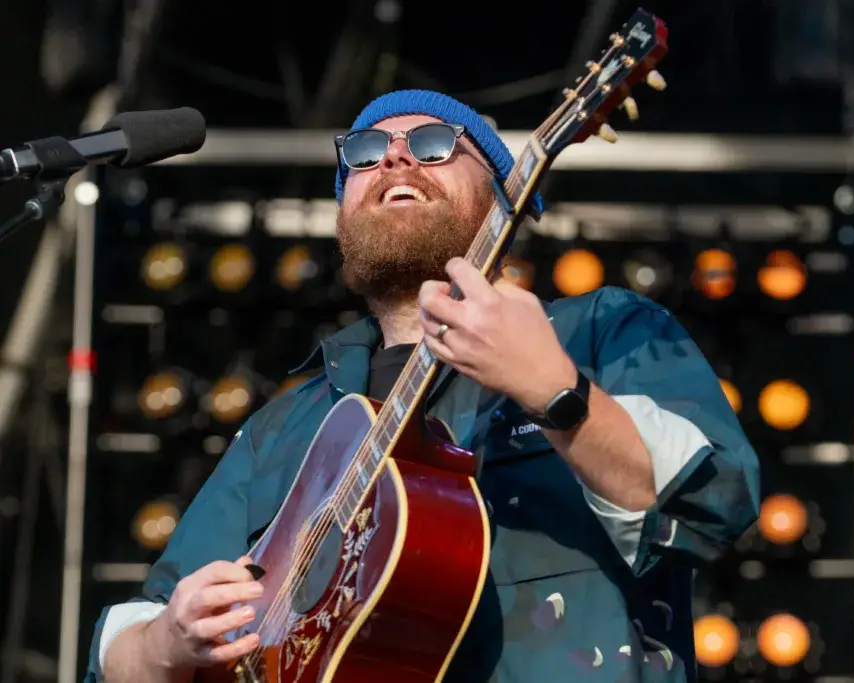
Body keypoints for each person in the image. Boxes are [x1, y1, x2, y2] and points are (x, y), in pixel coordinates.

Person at [86, 89, 760, 683]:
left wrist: (555, 389)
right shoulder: (284, 422)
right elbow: (129, 643)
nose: (395, 159)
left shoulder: (598, 330)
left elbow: (715, 503)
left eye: (435, 145)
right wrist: (167, 642)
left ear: (507, 199)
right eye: (366, 150)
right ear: (342, 207)